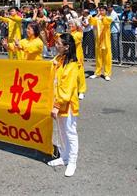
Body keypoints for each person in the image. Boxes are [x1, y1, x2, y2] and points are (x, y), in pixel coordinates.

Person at [47, 33, 80, 177]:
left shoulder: (72, 65)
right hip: (56, 102)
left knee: (70, 132)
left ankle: (72, 161)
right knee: (61, 131)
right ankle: (64, 157)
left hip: (67, 104)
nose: (56, 44)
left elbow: (67, 89)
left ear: (66, 47)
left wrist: (56, 105)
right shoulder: (59, 59)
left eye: (59, 43)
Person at [89, 6, 113, 80]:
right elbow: (91, 21)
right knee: (98, 58)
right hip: (98, 41)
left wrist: (101, 17)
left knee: (107, 59)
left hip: (106, 42)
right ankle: (97, 73)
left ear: (106, 11)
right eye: (100, 10)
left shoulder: (108, 18)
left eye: (102, 10)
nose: (101, 11)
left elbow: (107, 21)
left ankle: (107, 74)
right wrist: (97, 15)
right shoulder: (97, 19)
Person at [69, 19, 87, 100]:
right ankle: (73, 89)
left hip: (78, 56)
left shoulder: (78, 34)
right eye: (69, 24)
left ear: (76, 26)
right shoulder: (70, 33)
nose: (70, 26)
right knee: (71, 74)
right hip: (70, 57)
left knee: (80, 74)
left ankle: (82, 91)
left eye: (72, 24)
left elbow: (70, 41)